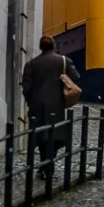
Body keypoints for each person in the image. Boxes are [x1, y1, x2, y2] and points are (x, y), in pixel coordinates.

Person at [21, 36, 80, 179]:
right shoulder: (64, 61)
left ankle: (44, 166)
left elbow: (26, 88)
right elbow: (76, 77)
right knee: (56, 137)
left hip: (37, 108)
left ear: (40, 47)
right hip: (56, 106)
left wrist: (31, 102)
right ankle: (48, 167)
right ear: (53, 46)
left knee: (42, 137)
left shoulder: (31, 64)